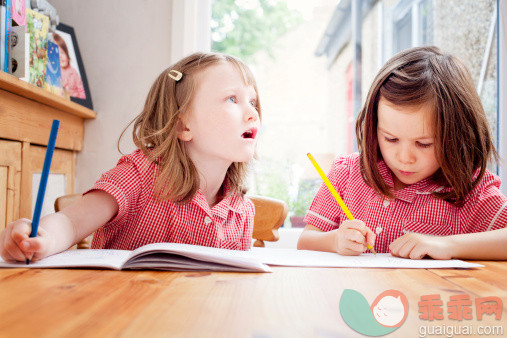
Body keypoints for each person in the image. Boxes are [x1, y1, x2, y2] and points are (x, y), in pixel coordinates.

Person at [0, 52, 261, 262]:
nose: (252, 113)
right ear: (183, 126)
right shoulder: (136, 175)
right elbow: (70, 222)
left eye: (252, 101)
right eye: (232, 99)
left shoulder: (242, 211)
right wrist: (40, 238)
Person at [297, 46, 507, 260]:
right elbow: (306, 241)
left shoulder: (469, 190)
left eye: (424, 143)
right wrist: (334, 241)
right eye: (391, 139)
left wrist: (448, 245)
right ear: (374, 127)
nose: (405, 158)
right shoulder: (347, 173)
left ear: (456, 136)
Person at [52, 32, 86, 99]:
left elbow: (81, 90)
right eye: (57, 54)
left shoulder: (73, 72)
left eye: (62, 52)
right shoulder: (55, 72)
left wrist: (80, 101)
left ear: (67, 55)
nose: (60, 56)